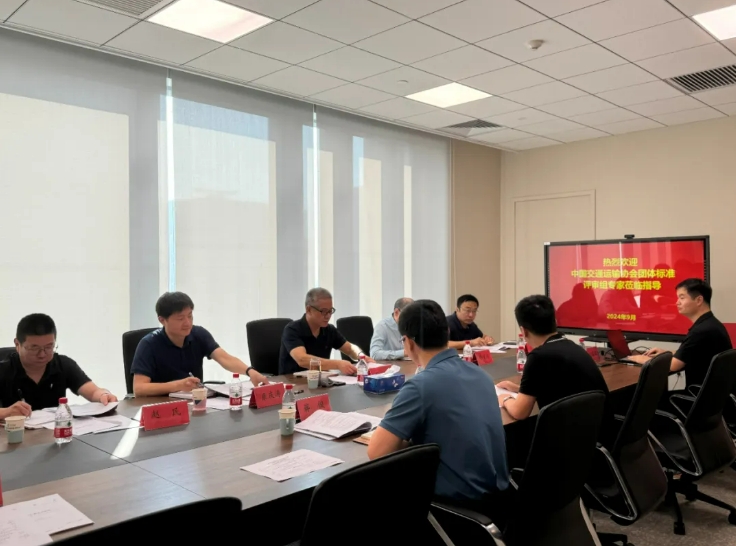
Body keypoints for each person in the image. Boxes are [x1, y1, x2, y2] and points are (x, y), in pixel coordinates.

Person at [368, 300, 510, 521]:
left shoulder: (420, 386)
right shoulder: (480, 374)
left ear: (408, 343)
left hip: (455, 509)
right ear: (447, 334)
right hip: (499, 499)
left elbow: (377, 452)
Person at [131, 292, 269, 396]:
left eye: (190, 316)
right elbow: (139, 389)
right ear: (162, 320)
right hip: (162, 407)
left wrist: (250, 372)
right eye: (180, 318)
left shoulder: (198, 334)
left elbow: (224, 358)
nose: (187, 323)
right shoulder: (148, 344)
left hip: (195, 403)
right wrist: (178, 385)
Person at [497, 295, 608, 421]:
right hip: (597, 428)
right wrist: (520, 389)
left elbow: (520, 412)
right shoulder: (573, 347)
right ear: (554, 321)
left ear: (524, 331)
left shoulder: (538, 357)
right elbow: (560, 388)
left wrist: (505, 398)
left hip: (568, 431)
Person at [0, 314, 118, 417]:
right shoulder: (4, 369)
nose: (42, 354)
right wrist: (5, 412)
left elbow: (92, 392)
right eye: (34, 348)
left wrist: (104, 395)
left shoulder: (63, 364)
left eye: (48, 347)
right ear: (17, 344)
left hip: (54, 431)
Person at [628, 278, 732, 390]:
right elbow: (691, 353)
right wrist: (666, 353)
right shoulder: (711, 324)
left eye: (682, 298)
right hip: (714, 395)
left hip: (698, 396)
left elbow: (673, 365)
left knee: (650, 397)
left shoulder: (701, 331)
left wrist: (641, 359)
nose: (677, 302)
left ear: (699, 300)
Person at [279, 288, 375, 375]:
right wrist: (337, 364)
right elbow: (302, 359)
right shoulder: (292, 329)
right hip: (294, 382)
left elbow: (349, 348)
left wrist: (362, 356)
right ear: (309, 310)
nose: (328, 316)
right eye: (323, 311)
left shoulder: (329, 330)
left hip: (321, 381)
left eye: (330, 311)